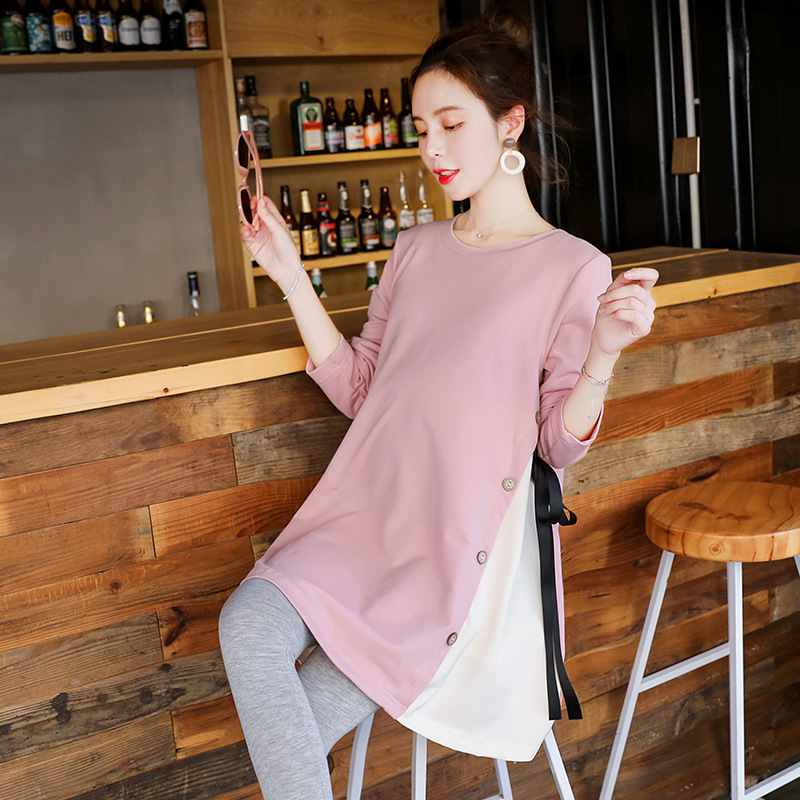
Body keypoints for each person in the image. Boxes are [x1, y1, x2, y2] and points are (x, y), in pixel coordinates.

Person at [218, 8, 658, 800]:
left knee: (297, 732)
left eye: (452, 125)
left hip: (452, 557)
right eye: (422, 129)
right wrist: (288, 273)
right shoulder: (415, 250)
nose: (433, 149)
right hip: (362, 520)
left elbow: (556, 444)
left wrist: (603, 353)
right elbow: (363, 389)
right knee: (247, 625)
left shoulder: (574, 267)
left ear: (509, 124)